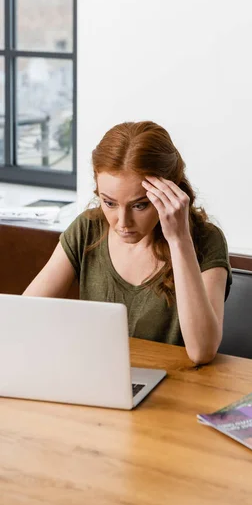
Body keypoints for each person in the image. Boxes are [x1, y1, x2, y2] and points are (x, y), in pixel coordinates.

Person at [23, 121, 232, 364]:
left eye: (139, 205)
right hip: (100, 381)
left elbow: (202, 351)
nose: (122, 222)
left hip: (177, 392)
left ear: (170, 192)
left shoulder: (206, 240)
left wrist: (179, 240)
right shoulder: (87, 229)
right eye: (109, 203)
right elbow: (24, 315)